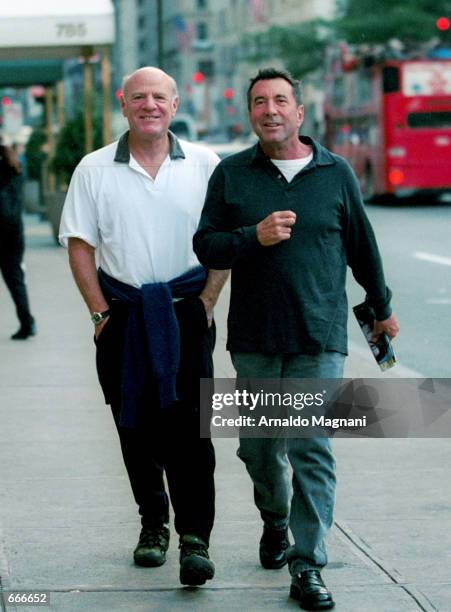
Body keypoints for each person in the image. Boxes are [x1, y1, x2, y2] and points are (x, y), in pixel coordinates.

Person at [193, 67, 399, 610]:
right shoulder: (233, 175)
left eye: (280, 100)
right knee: (260, 452)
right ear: (251, 114)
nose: (271, 110)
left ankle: (307, 566)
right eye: (260, 102)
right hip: (257, 337)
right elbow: (207, 247)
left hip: (320, 334)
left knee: (310, 447)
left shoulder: (334, 172)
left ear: (300, 112)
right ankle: (275, 519)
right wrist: (251, 237)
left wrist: (381, 308)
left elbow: (362, 243)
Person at [59, 67, 228, 587]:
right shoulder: (93, 169)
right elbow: (80, 245)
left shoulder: (205, 164)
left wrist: (207, 301)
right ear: (123, 104)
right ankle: (153, 525)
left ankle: (195, 538)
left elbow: (222, 241)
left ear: (175, 104)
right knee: (135, 426)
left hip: (185, 310)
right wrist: (99, 314)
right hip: (124, 316)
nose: (149, 104)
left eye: (159, 96)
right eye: (139, 97)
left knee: (193, 431)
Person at [0, 140, 36, 340]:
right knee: (16, 281)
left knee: (14, 280)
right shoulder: (17, 171)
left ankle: (27, 323)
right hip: (14, 234)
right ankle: (27, 322)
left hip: (4, 233)